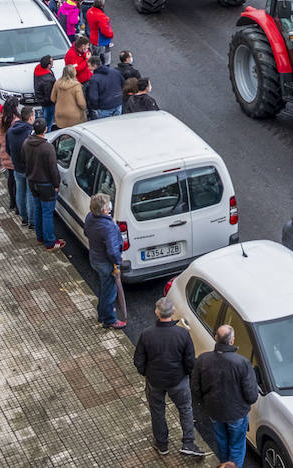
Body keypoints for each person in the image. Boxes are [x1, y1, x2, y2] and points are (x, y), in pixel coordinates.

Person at [133, 298, 202, 458]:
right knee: (185, 409)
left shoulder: (147, 334)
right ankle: (188, 443)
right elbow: (190, 360)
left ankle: (162, 444)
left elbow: (138, 360)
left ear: (157, 312)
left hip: (155, 381)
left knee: (157, 411)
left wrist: (146, 373)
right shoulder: (183, 334)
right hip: (178, 381)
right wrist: (185, 373)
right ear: (172, 312)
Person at [192, 324, 260, 468]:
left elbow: (196, 388)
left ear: (216, 338)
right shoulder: (242, 363)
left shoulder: (203, 359)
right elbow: (252, 395)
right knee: (236, 445)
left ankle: (224, 465)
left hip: (214, 411)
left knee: (222, 441)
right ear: (232, 340)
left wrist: (206, 402)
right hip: (237, 413)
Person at [19, 119, 65, 249]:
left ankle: (40, 237)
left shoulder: (26, 142)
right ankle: (50, 242)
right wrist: (56, 184)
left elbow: (23, 160)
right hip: (46, 184)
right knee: (47, 213)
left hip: (32, 181)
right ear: (45, 130)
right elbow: (53, 169)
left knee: (38, 209)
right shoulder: (47, 147)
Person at [84, 193, 127, 329]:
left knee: (104, 287)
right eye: (108, 206)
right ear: (104, 210)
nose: (110, 207)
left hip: (95, 258)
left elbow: (86, 232)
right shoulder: (108, 227)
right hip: (106, 262)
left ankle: (102, 313)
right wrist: (117, 262)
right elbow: (113, 251)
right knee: (109, 291)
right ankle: (109, 320)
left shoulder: (90, 217)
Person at [5, 103, 35, 226]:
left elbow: (7, 149)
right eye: (34, 115)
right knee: (29, 194)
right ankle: (32, 221)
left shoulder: (10, 131)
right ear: (30, 117)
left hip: (17, 167)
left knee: (20, 192)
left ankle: (24, 218)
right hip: (29, 168)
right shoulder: (30, 133)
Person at [51, 64, 88, 128]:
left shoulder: (57, 83)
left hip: (60, 114)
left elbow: (52, 98)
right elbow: (81, 103)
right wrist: (84, 108)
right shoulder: (76, 85)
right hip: (75, 116)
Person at [86, 0, 114, 64]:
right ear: (102, 6)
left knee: (95, 61)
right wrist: (111, 34)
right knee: (106, 62)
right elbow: (106, 32)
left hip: (93, 40)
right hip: (102, 42)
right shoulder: (102, 17)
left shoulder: (89, 11)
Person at [32, 57, 56, 130]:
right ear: (48, 65)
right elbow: (49, 95)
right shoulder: (48, 80)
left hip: (42, 100)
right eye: (52, 62)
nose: (53, 62)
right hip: (48, 103)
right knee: (48, 122)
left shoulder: (38, 69)